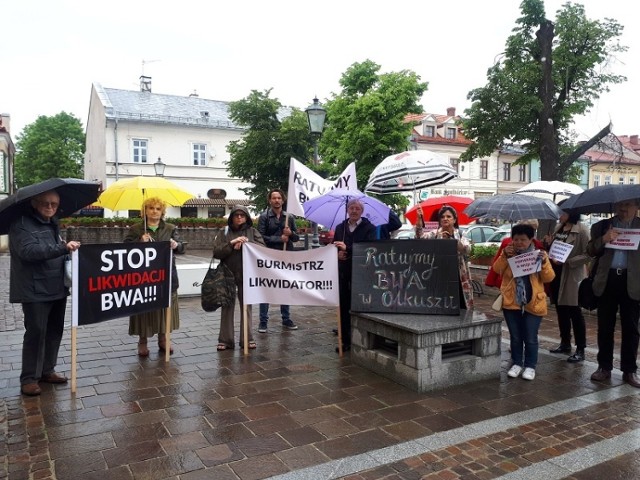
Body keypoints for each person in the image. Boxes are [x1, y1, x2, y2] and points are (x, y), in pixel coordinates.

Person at [10, 190, 81, 396]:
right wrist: (62, 248)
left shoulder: (53, 223)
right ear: (34, 203)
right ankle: (29, 378)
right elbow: (29, 252)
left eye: (54, 204)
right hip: (34, 289)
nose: (50, 207)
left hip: (56, 286)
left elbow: (53, 249)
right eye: (45, 203)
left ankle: (47, 370)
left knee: (54, 331)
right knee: (36, 332)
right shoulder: (21, 225)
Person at [587, 200, 640, 388]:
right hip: (607, 280)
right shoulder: (601, 226)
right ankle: (604, 367)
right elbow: (590, 250)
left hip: (632, 282)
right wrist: (603, 239)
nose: (623, 209)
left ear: (637, 207)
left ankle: (629, 370)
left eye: (628, 205)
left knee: (631, 328)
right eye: (620, 205)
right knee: (605, 326)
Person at [492, 223, 555, 381]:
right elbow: (496, 269)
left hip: (533, 301)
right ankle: (517, 363)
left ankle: (530, 365)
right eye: (516, 239)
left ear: (531, 239)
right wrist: (504, 256)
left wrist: (545, 263)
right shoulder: (508, 253)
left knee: (530, 336)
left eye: (523, 239)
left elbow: (549, 278)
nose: (519, 243)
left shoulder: (539, 254)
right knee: (515, 336)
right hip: (512, 300)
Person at [124, 197, 182, 356]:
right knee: (144, 309)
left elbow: (182, 247)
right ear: (145, 211)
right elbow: (125, 248)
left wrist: (176, 245)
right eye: (150, 208)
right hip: (143, 277)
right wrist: (138, 241)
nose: (154, 211)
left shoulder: (170, 228)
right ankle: (142, 341)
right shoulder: (136, 228)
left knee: (164, 308)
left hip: (166, 276)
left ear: (162, 211)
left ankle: (163, 339)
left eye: (157, 208)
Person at [213, 205, 265, 351]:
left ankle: (247, 338)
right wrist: (231, 244)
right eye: (237, 215)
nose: (239, 217)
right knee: (227, 307)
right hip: (227, 273)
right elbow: (216, 252)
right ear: (232, 217)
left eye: (242, 215)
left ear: (247, 217)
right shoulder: (224, 232)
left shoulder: (252, 231)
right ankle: (225, 339)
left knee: (247, 307)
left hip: (247, 274)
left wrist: (247, 244)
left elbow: (263, 249)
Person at [543, 208, 590, 362]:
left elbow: (588, 254)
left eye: (562, 212)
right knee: (560, 309)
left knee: (574, 311)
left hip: (571, 275)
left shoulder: (582, 230)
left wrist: (569, 262)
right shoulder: (558, 228)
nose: (560, 215)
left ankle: (581, 348)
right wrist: (548, 244)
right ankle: (565, 343)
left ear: (572, 212)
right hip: (557, 275)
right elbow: (554, 251)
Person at [333, 199, 376, 352]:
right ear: (347, 210)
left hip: (361, 274)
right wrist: (338, 254)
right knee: (343, 307)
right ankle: (345, 340)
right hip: (343, 273)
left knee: (359, 306)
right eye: (351, 208)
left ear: (361, 211)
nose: (354, 211)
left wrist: (348, 249)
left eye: (357, 208)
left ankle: (361, 338)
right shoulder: (340, 227)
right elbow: (333, 247)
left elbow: (369, 250)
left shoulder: (369, 228)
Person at [257, 188, 299, 333]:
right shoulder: (264, 217)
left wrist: (291, 233)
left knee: (286, 288)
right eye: (274, 198)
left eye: (279, 198)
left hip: (286, 256)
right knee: (266, 288)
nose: (276, 200)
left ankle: (286, 318)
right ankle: (263, 321)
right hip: (269, 257)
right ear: (270, 200)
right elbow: (260, 237)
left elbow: (296, 238)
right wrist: (278, 238)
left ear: (283, 200)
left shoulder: (290, 217)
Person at [418, 205, 474, 309]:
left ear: (454, 220)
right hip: (439, 277)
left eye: (449, 216)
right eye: (443, 217)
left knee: (461, 307)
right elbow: (419, 239)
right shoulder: (434, 234)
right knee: (441, 306)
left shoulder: (461, 234)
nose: (445, 219)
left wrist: (452, 240)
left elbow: (467, 250)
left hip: (458, 278)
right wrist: (419, 219)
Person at [485, 219, 543, 288]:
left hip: (530, 284)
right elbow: (497, 264)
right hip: (509, 283)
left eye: (534, 230)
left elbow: (544, 272)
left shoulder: (537, 244)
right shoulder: (507, 243)